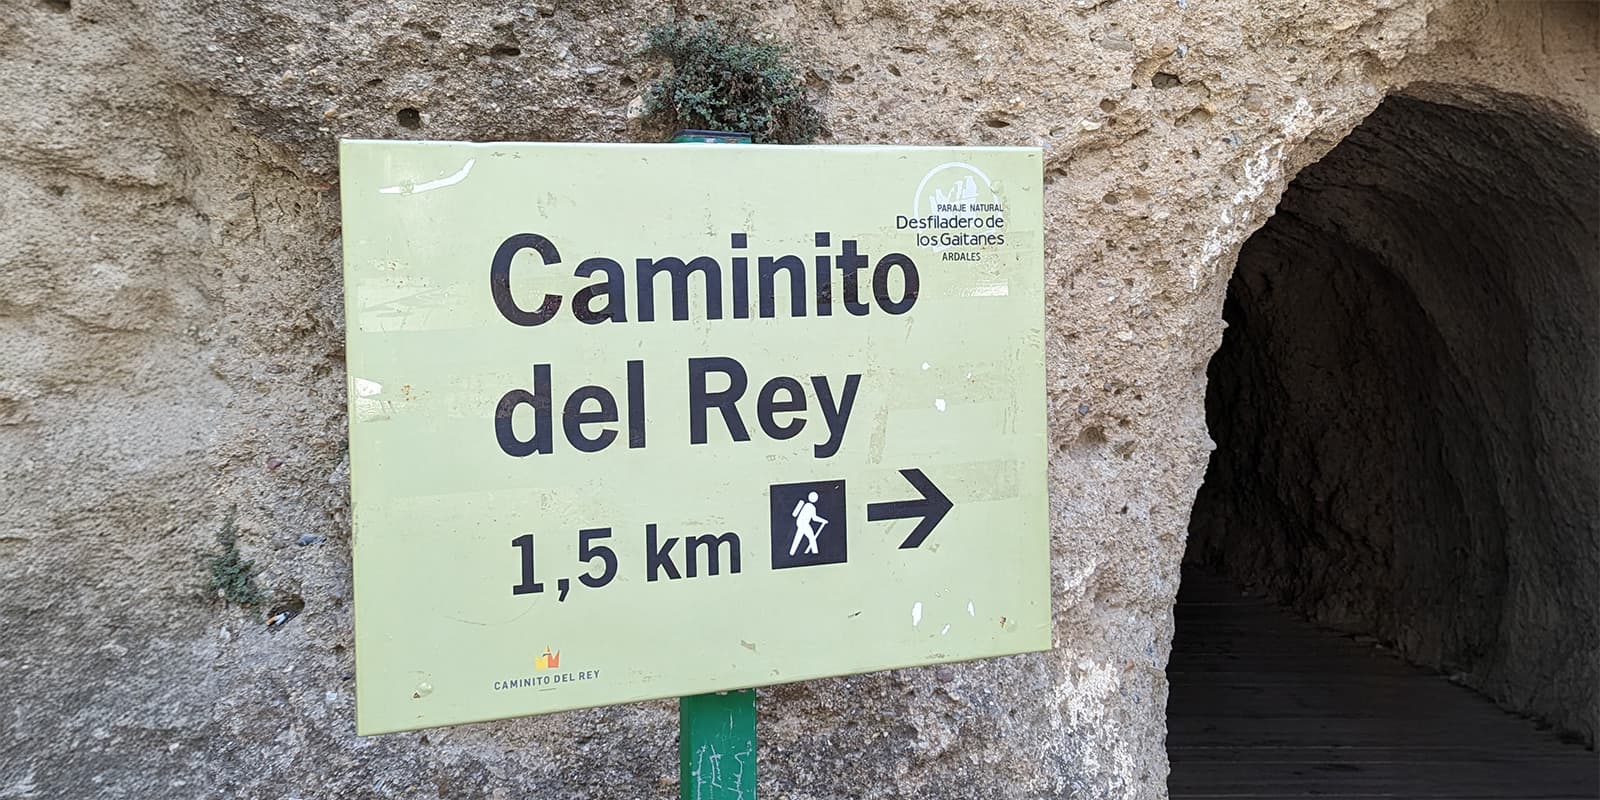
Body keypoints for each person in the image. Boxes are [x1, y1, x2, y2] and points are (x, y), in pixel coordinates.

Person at [790, 491, 827, 556]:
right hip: (804, 524)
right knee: (812, 538)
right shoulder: (812, 507)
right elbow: (814, 518)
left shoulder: (805, 505)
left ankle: (792, 553)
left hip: (799, 522)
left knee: (798, 537)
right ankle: (815, 553)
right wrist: (823, 520)